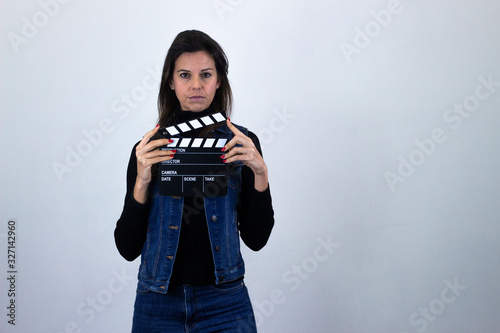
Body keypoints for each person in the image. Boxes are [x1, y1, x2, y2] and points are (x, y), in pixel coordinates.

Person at [114, 30, 274, 332]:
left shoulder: (242, 144)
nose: (196, 85)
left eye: (206, 75)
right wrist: (141, 182)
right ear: (171, 82)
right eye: (185, 75)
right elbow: (127, 247)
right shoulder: (149, 150)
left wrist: (261, 174)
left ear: (219, 81)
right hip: (157, 302)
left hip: (225, 302)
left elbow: (257, 239)